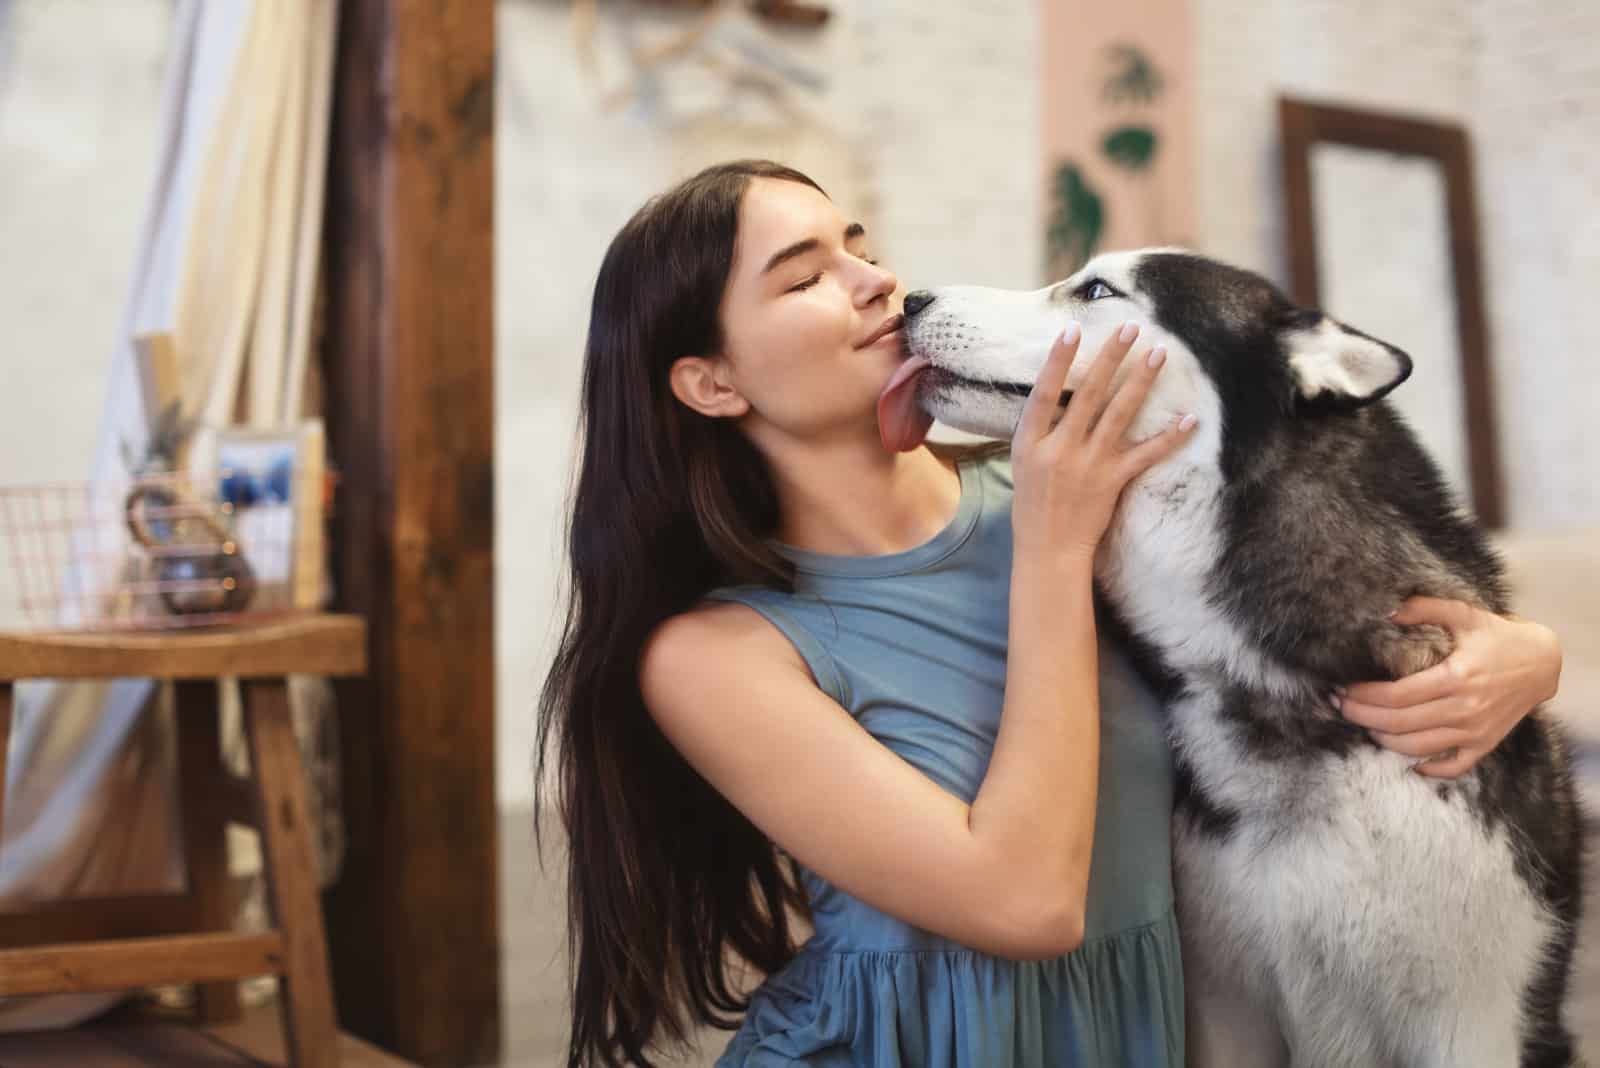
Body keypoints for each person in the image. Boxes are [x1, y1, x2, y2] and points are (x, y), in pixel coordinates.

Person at [535, 159, 1564, 1068]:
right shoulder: (715, 654)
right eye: (804, 277)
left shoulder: (1084, 502)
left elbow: (1310, 603)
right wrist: (1054, 543)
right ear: (711, 383)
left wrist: (1526, 654)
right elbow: (1023, 903)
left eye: (859, 246)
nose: (873, 281)